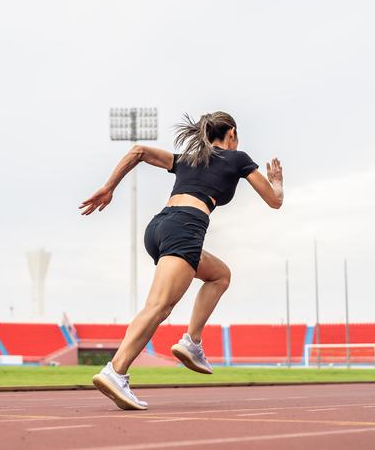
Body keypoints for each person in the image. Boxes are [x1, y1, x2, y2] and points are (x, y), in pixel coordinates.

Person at [79, 111, 284, 410]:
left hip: (159, 228)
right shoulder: (238, 158)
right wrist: (276, 182)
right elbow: (274, 200)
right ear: (231, 133)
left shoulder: (190, 158)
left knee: (219, 275)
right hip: (186, 227)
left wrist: (110, 186)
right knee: (158, 306)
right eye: (236, 136)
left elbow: (139, 151)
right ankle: (116, 370)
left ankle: (192, 342)